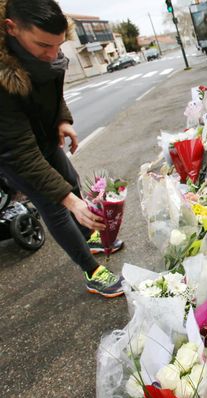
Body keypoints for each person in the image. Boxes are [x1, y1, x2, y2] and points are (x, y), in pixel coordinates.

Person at [0, 0, 124, 298]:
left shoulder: (43, 52)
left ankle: (89, 237)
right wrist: (69, 201)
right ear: (11, 28)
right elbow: (20, 152)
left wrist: (62, 120)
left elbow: (52, 94)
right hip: (15, 153)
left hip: (43, 137)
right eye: (44, 46)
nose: (53, 55)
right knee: (57, 205)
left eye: (58, 46)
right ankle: (92, 271)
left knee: (71, 184)